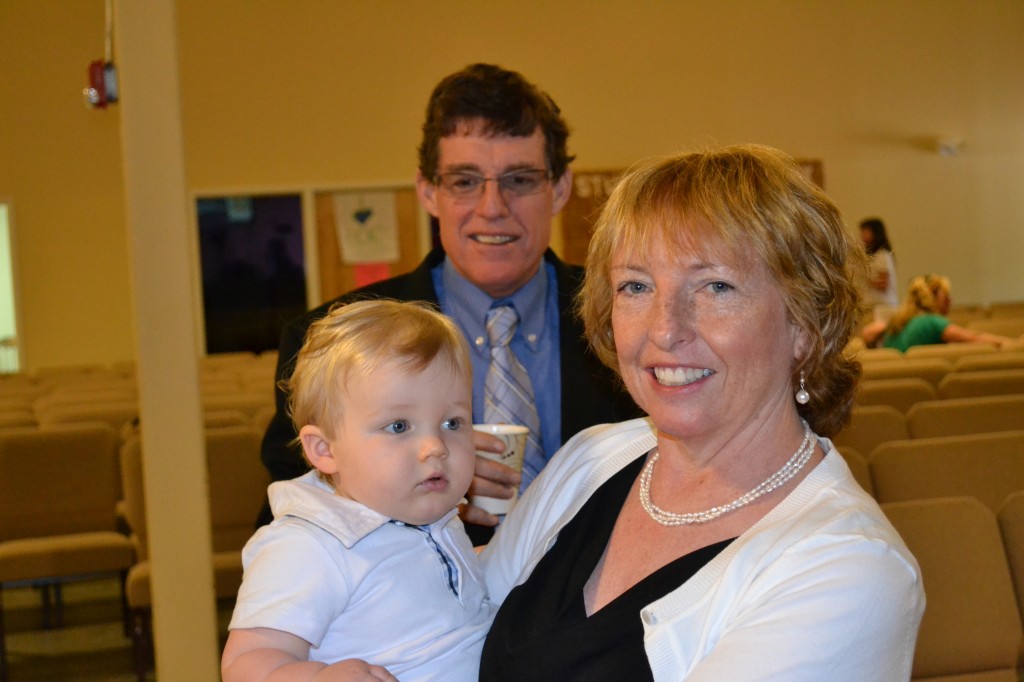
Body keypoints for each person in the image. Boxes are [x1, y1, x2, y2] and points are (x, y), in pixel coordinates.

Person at [478, 145, 924, 680]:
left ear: (804, 326)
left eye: (716, 287)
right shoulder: (590, 459)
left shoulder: (853, 568)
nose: (665, 329)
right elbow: (449, 636)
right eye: (636, 286)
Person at [258, 63, 638, 541]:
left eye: (519, 179)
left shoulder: (627, 318)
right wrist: (427, 486)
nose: (492, 207)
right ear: (428, 192)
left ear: (558, 188)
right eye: (464, 181)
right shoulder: (327, 344)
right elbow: (286, 527)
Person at [222, 300, 494, 682]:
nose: (436, 446)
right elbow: (246, 662)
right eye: (399, 426)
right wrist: (318, 678)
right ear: (324, 450)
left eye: (453, 422)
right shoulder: (310, 546)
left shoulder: (435, 519)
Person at [862, 273, 1022, 351]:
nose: (950, 301)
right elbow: (975, 339)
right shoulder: (932, 322)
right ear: (931, 299)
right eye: (946, 297)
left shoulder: (898, 324)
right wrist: (1014, 344)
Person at [859, 217, 898, 312]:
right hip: (871, 305)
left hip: (882, 306)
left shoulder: (883, 255)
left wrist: (864, 279)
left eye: (865, 231)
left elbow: (883, 284)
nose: (862, 235)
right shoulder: (873, 255)